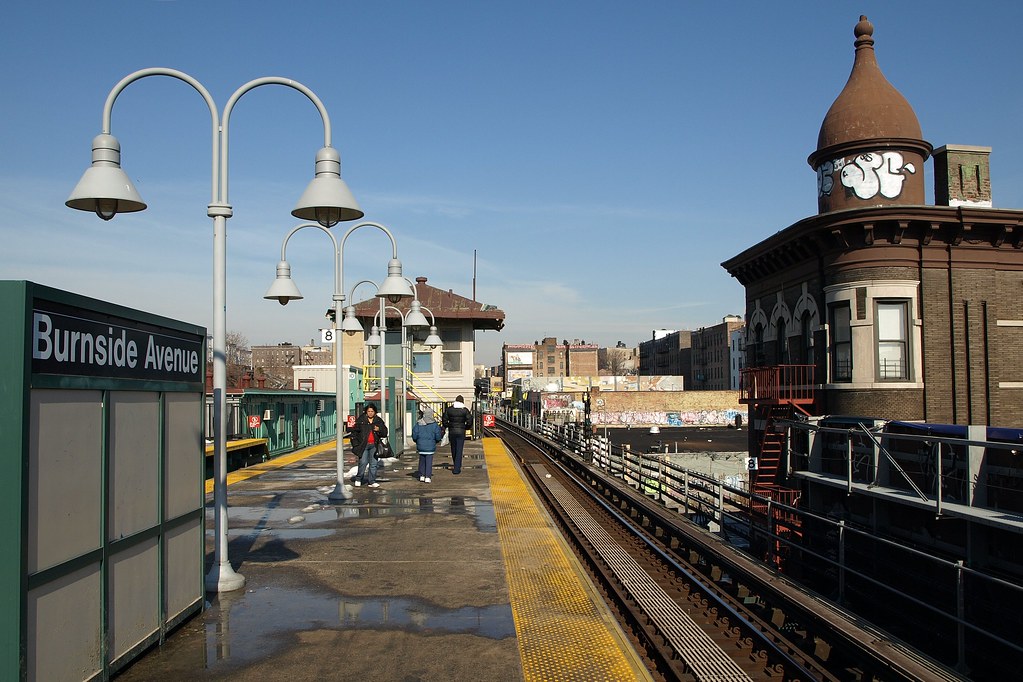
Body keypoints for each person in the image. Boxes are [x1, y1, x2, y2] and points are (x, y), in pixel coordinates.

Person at [350, 403, 387, 488]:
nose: (370, 413)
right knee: (363, 462)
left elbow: (385, 433)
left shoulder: (378, 421)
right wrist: (356, 445)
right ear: (366, 412)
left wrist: (379, 429)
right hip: (363, 445)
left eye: (372, 411)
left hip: (374, 445)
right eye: (369, 411)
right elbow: (354, 433)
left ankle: (372, 481)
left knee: (373, 464)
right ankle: (359, 478)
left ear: (375, 412)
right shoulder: (361, 420)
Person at [412, 406, 444, 483]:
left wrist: (417, 441)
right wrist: (436, 441)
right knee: (429, 462)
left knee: (421, 461)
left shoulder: (419, 423)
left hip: (421, 445)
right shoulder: (434, 425)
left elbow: (414, 435)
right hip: (430, 446)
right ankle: (428, 476)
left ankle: (421, 475)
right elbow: (438, 436)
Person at [442, 395, 472, 474]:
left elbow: (444, 420)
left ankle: (456, 463)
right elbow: (470, 421)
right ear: (462, 401)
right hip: (461, 432)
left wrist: (448, 426)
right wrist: (466, 427)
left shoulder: (449, 410)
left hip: (452, 431)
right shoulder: (465, 410)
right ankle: (457, 468)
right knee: (459, 449)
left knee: (453, 448)